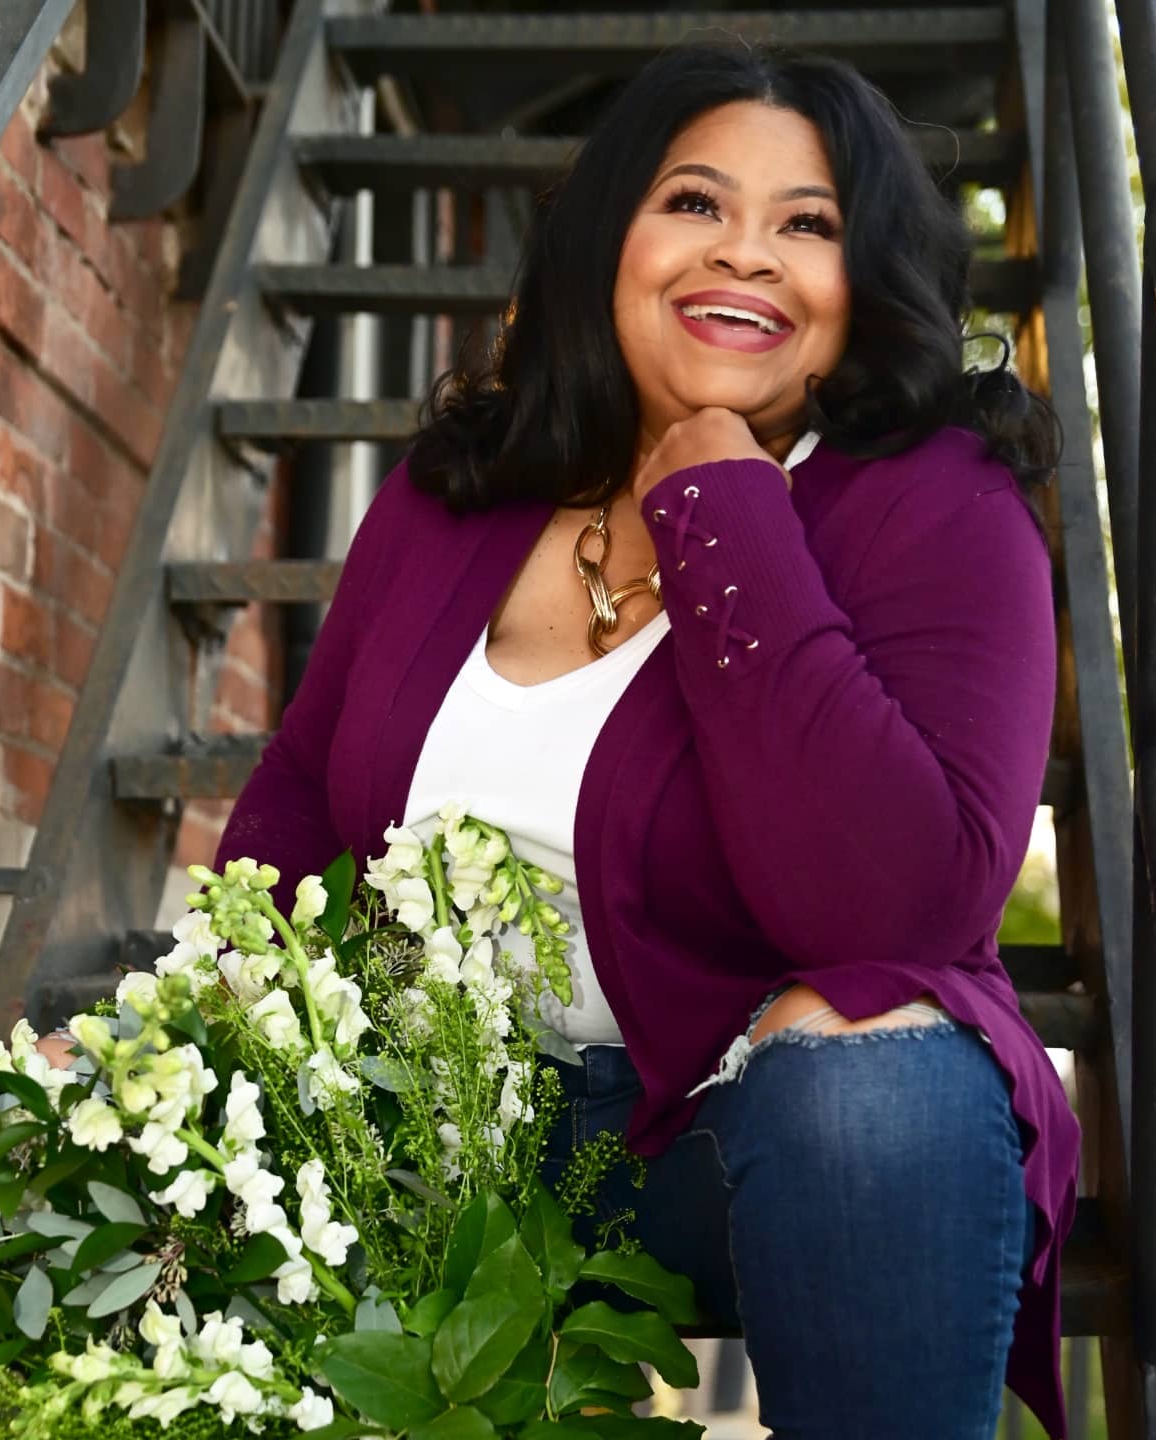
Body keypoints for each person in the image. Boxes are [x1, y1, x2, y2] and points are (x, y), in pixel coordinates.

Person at [214, 43, 1078, 1440]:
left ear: (864, 286)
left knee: (870, 1075)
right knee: (61, 1186)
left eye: (809, 224)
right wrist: (210, 1015)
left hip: (721, 1137)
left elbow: (903, 906)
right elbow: (307, 790)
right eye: (694, 203)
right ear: (611, 235)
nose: (746, 256)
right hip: (437, 1130)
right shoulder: (461, 496)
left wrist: (728, 503)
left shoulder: (938, 503)